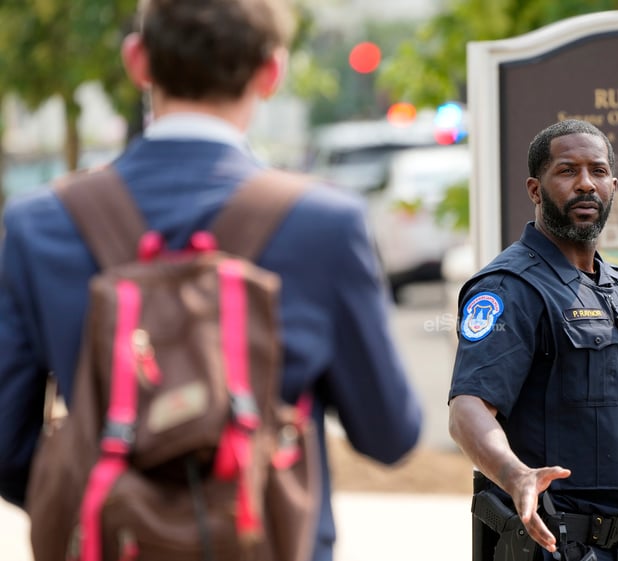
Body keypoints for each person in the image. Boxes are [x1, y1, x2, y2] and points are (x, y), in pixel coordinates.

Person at [0, 1, 422, 560]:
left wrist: (119, 501)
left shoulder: (39, 225)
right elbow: (389, 435)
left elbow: (6, 445)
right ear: (272, 72)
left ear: (137, 61)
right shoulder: (325, 224)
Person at [448, 119, 618, 561]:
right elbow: (468, 408)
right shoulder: (510, 289)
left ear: (613, 185)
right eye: (567, 171)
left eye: (597, 172)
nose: (585, 184)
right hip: (549, 543)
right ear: (535, 189)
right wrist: (514, 474)